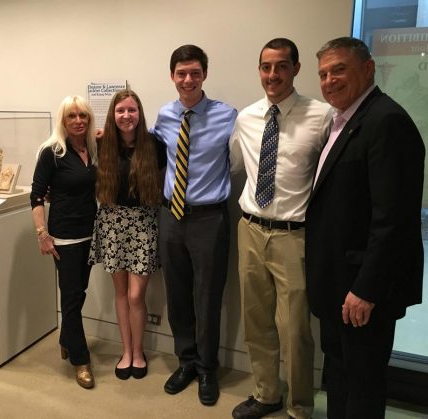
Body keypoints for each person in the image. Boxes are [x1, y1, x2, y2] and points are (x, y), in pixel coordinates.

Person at [306, 37, 424, 418]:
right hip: (338, 282)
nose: (329, 80)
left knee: (363, 383)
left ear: (368, 68)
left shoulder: (386, 122)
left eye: (339, 69)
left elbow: (394, 220)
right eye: (323, 73)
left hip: (361, 290)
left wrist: (366, 289)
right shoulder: (345, 122)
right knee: (339, 375)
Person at [229, 38, 332, 419]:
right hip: (251, 229)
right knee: (256, 322)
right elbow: (236, 166)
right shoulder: (246, 117)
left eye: (281, 66)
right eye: (266, 67)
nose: (272, 75)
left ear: (296, 69)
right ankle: (266, 393)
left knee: (295, 331)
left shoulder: (321, 117)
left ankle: (300, 406)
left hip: (295, 236)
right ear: (259, 70)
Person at [152, 44, 237, 406]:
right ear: (172, 76)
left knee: (207, 297)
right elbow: (150, 155)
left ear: (204, 75)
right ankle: (185, 361)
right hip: (171, 215)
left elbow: (238, 159)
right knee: (177, 293)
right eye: (181, 73)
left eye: (195, 73)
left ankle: (206, 369)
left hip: (209, 218)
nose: (188, 80)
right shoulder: (164, 115)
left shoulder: (227, 115)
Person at [88, 89, 165, 380]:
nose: (126, 116)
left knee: (136, 295)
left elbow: (159, 184)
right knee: (120, 293)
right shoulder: (101, 143)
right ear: (112, 114)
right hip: (111, 221)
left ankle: (139, 349)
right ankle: (128, 352)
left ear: (139, 113)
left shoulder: (154, 144)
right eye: (120, 111)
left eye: (132, 110)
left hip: (143, 223)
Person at [30, 95, 98, 389]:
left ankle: (65, 339)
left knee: (79, 292)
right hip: (64, 238)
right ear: (63, 120)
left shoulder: (92, 148)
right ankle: (80, 361)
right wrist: (42, 234)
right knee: (70, 298)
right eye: (72, 116)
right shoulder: (52, 152)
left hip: (90, 233)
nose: (78, 121)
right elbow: (36, 196)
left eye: (83, 115)